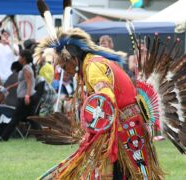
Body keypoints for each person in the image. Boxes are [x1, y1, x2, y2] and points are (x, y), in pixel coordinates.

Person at [35, 28, 163, 179]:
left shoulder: (93, 68)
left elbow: (106, 97)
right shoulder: (92, 62)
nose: (65, 71)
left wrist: (95, 127)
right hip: (126, 126)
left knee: (128, 174)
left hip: (126, 129)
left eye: (64, 66)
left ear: (73, 59)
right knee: (123, 173)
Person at [0, 49, 36, 141]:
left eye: (20, 56)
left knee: (15, 118)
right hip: (24, 96)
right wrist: (10, 87)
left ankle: (4, 137)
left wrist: (27, 95)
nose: (19, 58)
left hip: (24, 97)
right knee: (31, 118)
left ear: (24, 58)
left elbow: (29, 82)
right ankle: (42, 136)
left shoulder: (26, 69)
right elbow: (21, 82)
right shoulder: (26, 68)